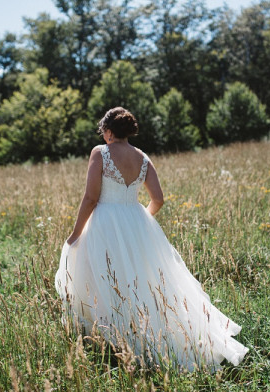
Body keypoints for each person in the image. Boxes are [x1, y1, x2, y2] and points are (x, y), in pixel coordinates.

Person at [55, 107, 248, 371]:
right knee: (141, 281)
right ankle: (148, 334)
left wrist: (75, 234)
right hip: (136, 221)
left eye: (103, 132)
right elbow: (158, 199)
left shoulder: (100, 153)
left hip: (104, 223)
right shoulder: (143, 158)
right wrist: (139, 220)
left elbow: (90, 198)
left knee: (103, 277)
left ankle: (111, 339)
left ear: (108, 132)